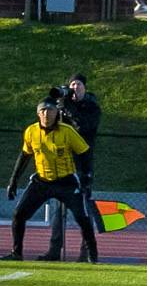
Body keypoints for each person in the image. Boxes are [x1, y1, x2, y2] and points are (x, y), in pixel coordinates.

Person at [3, 97, 98, 263]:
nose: (46, 114)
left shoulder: (67, 131)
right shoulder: (31, 132)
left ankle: (92, 255)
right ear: (38, 113)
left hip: (66, 182)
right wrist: (14, 181)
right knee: (19, 214)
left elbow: (84, 152)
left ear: (57, 113)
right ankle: (16, 252)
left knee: (82, 217)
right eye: (43, 110)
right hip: (42, 182)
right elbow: (25, 156)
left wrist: (86, 176)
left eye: (51, 110)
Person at [40, 73, 102, 262]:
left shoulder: (92, 107)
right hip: (64, 163)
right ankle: (54, 249)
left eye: (78, 84)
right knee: (59, 206)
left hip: (83, 163)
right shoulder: (63, 106)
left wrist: (67, 108)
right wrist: (53, 106)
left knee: (82, 208)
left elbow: (84, 128)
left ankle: (86, 252)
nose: (74, 88)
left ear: (85, 87)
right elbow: (49, 127)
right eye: (72, 84)